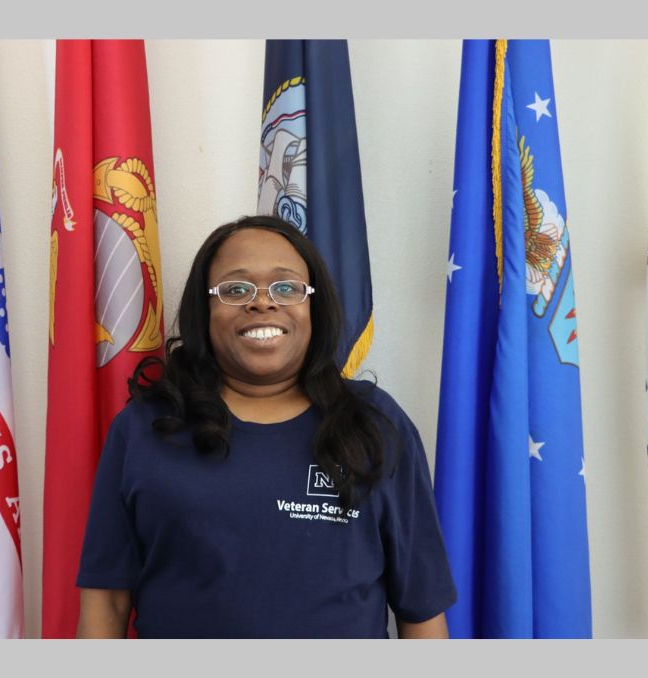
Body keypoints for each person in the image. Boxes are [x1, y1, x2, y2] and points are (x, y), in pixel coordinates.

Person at [75, 215, 456, 638]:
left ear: (314, 306)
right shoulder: (146, 428)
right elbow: (105, 603)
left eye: (286, 287)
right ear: (205, 310)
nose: (262, 302)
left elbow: (420, 611)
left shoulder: (375, 424)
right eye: (235, 289)